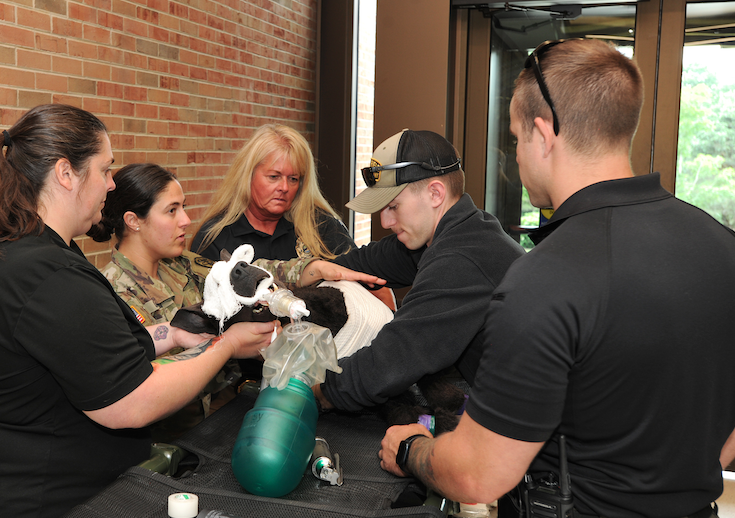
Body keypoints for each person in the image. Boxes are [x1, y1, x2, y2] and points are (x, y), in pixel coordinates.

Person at [378, 39, 735, 517]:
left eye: (516, 138)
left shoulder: (544, 279)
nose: (517, 156)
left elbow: (476, 473)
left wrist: (412, 448)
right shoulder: (724, 246)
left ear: (543, 135)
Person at [0, 104, 276, 518]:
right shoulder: (46, 274)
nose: (111, 183)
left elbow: (83, 355)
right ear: (66, 174)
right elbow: (132, 403)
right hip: (12, 499)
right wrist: (225, 347)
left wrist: (169, 336)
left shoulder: (23, 253)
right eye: (105, 169)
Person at [87, 163, 388, 439]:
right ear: (133, 221)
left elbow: (246, 273)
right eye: (172, 211)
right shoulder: (110, 293)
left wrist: (314, 268)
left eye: (184, 208)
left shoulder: (182, 265)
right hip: (167, 439)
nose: (186, 220)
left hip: (217, 418)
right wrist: (230, 343)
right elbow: (144, 382)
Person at [309, 129, 525, 413]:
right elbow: (360, 262)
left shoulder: (461, 259)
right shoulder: (454, 232)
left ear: (435, 193)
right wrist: (309, 270)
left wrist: (310, 391)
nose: (385, 221)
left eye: (393, 206)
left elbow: (390, 362)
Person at [190, 123, 356, 262]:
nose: (284, 187)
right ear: (248, 176)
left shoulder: (321, 226)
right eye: (274, 176)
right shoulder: (214, 238)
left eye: (293, 179)